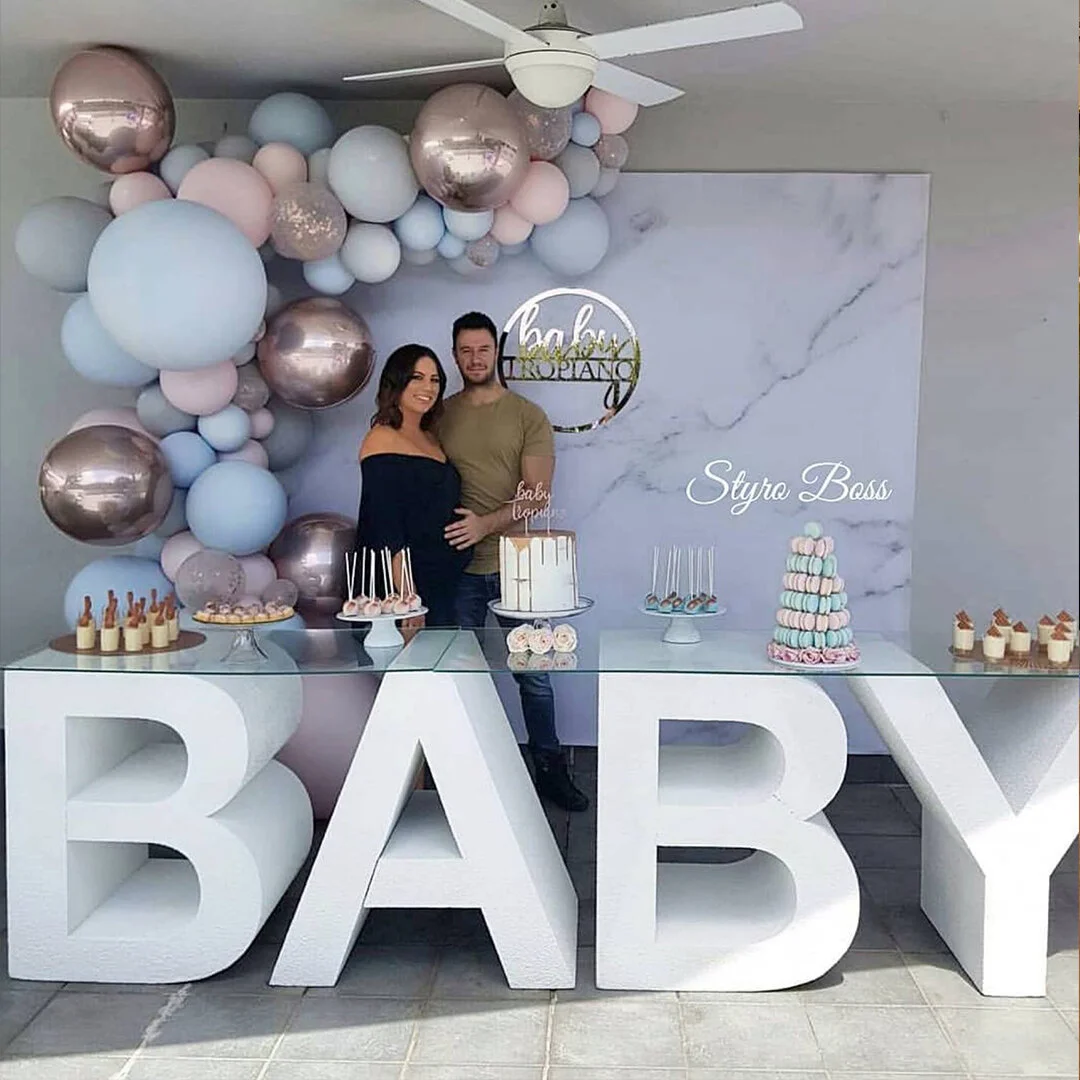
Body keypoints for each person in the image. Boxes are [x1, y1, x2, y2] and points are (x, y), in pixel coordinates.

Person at [436, 311, 589, 812]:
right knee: (458, 676)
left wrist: (485, 524)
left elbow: (538, 494)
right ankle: (463, 774)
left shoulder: (528, 415)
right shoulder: (439, 415)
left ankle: (549, 767)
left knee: (534, 673)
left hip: (517, 569)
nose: (474, 358)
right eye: (465, 351)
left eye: (483, 349)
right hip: (455, 568)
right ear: (454, 355)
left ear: (497, 352)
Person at [356, 344, 470, 628]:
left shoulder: (431, 438)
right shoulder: (381, 439)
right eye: (417, 378)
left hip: (441, 583)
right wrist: (408, 596)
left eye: (435, 380)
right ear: (396, 382)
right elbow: (386, 526)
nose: (428, 387)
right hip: (404, 591)